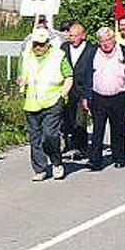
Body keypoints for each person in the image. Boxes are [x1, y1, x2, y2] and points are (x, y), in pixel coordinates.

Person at [82, 28, 125, 170]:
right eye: (102, 41)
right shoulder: (93, 53)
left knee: (118, 129)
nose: (106, 44)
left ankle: (119, 157)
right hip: (98, 97)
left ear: (114, 39)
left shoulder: (123, 52)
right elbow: (86, 76)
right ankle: (95, 161)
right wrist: (85, 96)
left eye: (108, 40)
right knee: (97, 130)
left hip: (119, 96)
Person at [19, 28, 73, 181]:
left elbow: (69, 76)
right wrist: (22, 82)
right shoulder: (27, 56)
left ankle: (56, 162)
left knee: (50, 135)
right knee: (35, 138)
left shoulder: (58, 56)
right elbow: (22, 75)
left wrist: (63, 95)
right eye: (36, 44)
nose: (38, 47)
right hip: (31, 102)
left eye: (41, 45)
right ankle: (40, 169)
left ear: (48, 44)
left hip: (53, 101)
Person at [60, 22, 94, 159]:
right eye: (71, 35)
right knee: (67, 118)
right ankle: (68, 144)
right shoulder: (64, 48)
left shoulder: (91, 50)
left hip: (83, 90)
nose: (72, 38)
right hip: (67, 90)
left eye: (75, 36)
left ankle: (80, 147)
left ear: (83, 36)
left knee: (80, 119)